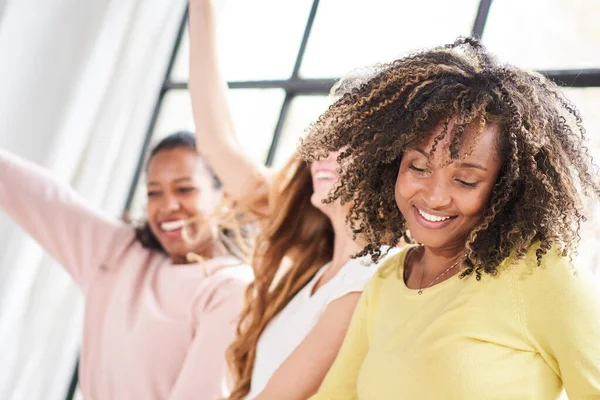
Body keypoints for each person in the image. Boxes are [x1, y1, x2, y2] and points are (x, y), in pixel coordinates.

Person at [299, 38, 600, 399]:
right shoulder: (388, 281)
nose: (435, 196)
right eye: (419, 167)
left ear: (507, 186)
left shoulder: (541, 275)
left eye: (466, 180)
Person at [187, 1, 394, 399]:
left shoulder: (372, 275)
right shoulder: (315, 264)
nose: (321, 155)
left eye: (345, 142)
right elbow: (216, 144)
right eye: (323, 138)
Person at [0, 131, 253, 399]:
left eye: (184, 189)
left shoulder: (231, 288)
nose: (167, 206)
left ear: (225, 197)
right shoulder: (119, 255)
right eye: (154, 192)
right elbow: (40, 195)